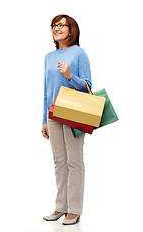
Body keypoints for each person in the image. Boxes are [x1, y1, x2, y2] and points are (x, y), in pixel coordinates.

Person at [41, 14, 92, 225]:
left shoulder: (79, 53)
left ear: (71, 30)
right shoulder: (48, 57)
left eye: (62, 25)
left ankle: (75, 209)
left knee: (74, 162)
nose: (57, 28)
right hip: (53, 114)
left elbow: (88, 86)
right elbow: (46, 90)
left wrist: (71, 76)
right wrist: (44, 119)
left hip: (72, 111)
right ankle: (61, 206)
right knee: (59, 162)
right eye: (54, 25)